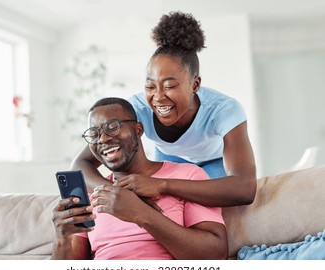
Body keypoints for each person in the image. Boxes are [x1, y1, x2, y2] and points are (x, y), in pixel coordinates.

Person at [71, 11, 256, 208]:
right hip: (169, 158)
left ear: (195, 85)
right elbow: (79, 166)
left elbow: (244, 188)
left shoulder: (224, 110)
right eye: (150, 86)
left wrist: (163, 184)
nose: (158, 97)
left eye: (169, 86)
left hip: (214, 160)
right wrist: (117, 193)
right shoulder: (135, 108)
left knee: (216, 207)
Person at [51, 97, 228, 260]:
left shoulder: (188, 176)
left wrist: (142, 213)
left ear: (138, 130)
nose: (103, 139)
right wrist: (62, 239)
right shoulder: (88, 194)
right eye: (94, 134)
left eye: (112, 127)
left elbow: (215, 254)